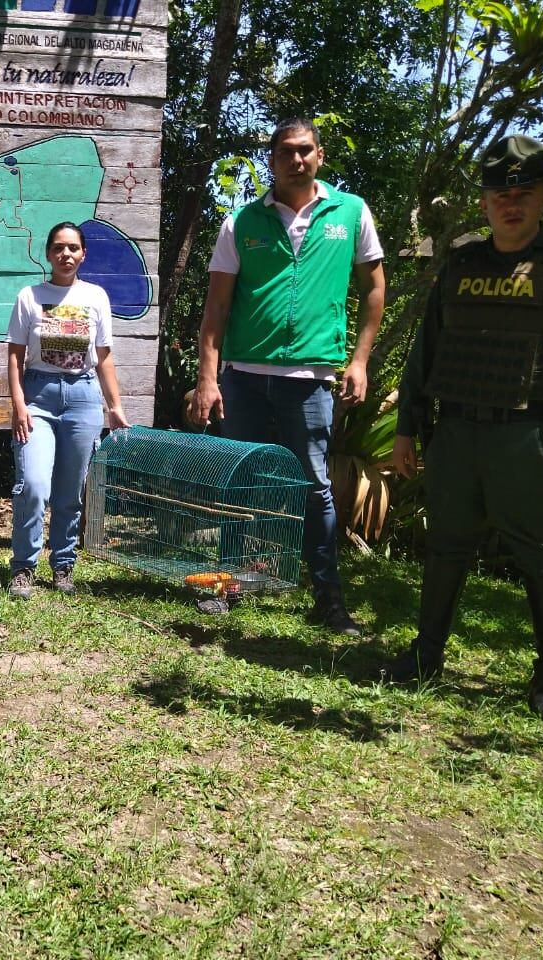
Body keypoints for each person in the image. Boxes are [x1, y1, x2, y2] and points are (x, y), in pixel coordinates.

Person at [384, 134, 543, 722]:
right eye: (499, 192)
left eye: (524, 190)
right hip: (459, 431)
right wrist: (408, 428)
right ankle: (426, 657)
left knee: (540, 552)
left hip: (528, 436)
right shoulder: (462, 263)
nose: (511, 201)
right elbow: (426, 352)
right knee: (446, 546)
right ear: (485, 201)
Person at [187, 117, 386, 635]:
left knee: (315, 487)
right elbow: (217, 307)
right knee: (238, 479)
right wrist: (208, 379)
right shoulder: (241, 221)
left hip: (311, 376)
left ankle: (327, 599)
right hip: (245, 376)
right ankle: (224, 585)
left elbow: (373, 291)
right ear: (271, 159)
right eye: (285, 152)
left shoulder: (351, 213)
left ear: (319, 155)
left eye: (305, 151)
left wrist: (359, 360)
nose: (296, 160)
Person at [7, 222, 131, 599]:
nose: (66, 254)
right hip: (37, 395)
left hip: (83, 397)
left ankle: (63, 565)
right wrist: (17, 404)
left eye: (73, 248)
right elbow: (14, 354)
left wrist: (116, 406)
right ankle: (23, 568)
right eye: (59, 247)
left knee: (70, 491)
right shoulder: (30, 296)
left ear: (83, 254)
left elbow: (104, 357)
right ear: (48, 253)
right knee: (32, 485)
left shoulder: (96, 297)